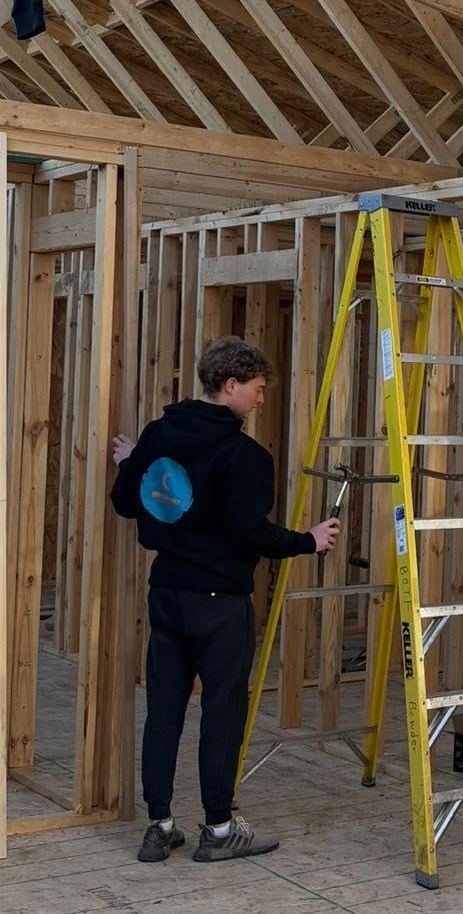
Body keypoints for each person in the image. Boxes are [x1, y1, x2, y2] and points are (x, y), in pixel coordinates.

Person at [110, 337, 340, 866]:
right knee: (222, 712)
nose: (262, 399)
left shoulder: (159, 435)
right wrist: (307, 540)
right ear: (231, 385)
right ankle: (218, 828)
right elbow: (247, 535)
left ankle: (159, 826)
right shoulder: (245, 456)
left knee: (164, 710)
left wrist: (134, 462)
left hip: (166, 593)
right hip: (218, 603)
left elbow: (127, 502)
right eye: (257, 389)